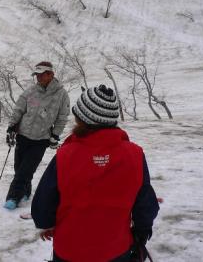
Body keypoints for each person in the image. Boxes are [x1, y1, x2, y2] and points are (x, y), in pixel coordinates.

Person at [31, 84, 159, 262]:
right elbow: (145, 203)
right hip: (116, 250)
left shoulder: (65, 155)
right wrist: (141, 233)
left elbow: (43, 202)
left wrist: (46, 224)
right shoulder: (135, 154)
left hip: (69, 250)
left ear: (82, 119)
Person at [4, 61, 70, 210]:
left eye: (42, 74)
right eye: (37, 75)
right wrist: (11, 127)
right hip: (23, 135)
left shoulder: (61, 95)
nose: (38, 77)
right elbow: (19, 109)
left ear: (51, 74)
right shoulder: (31, 91)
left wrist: (55, 135)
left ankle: (13, 198)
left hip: (41, 139)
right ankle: (25, 192)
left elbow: (62, 117)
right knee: (19, 168)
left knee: (26, 170)